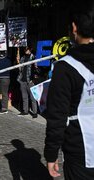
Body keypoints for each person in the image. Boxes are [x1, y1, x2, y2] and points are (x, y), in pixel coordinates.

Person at [44, 1, 94, 179]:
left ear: (74, 27)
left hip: (82, 152)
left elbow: (57, 116)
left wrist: (51, 154)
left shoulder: (65, 67)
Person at [16, 46, 38, 118]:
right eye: (25, 49)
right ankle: (25, 111)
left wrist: (34, 79)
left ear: (30, 49)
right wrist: (18, 62)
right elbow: (20, 69)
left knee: (32, 98)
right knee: (24, 97)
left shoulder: (33, 57)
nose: (26, 50)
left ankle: (35, 112)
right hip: (22, 80)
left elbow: (36, 69)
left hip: (30, 81)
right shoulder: (22, 58)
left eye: (27, 49)